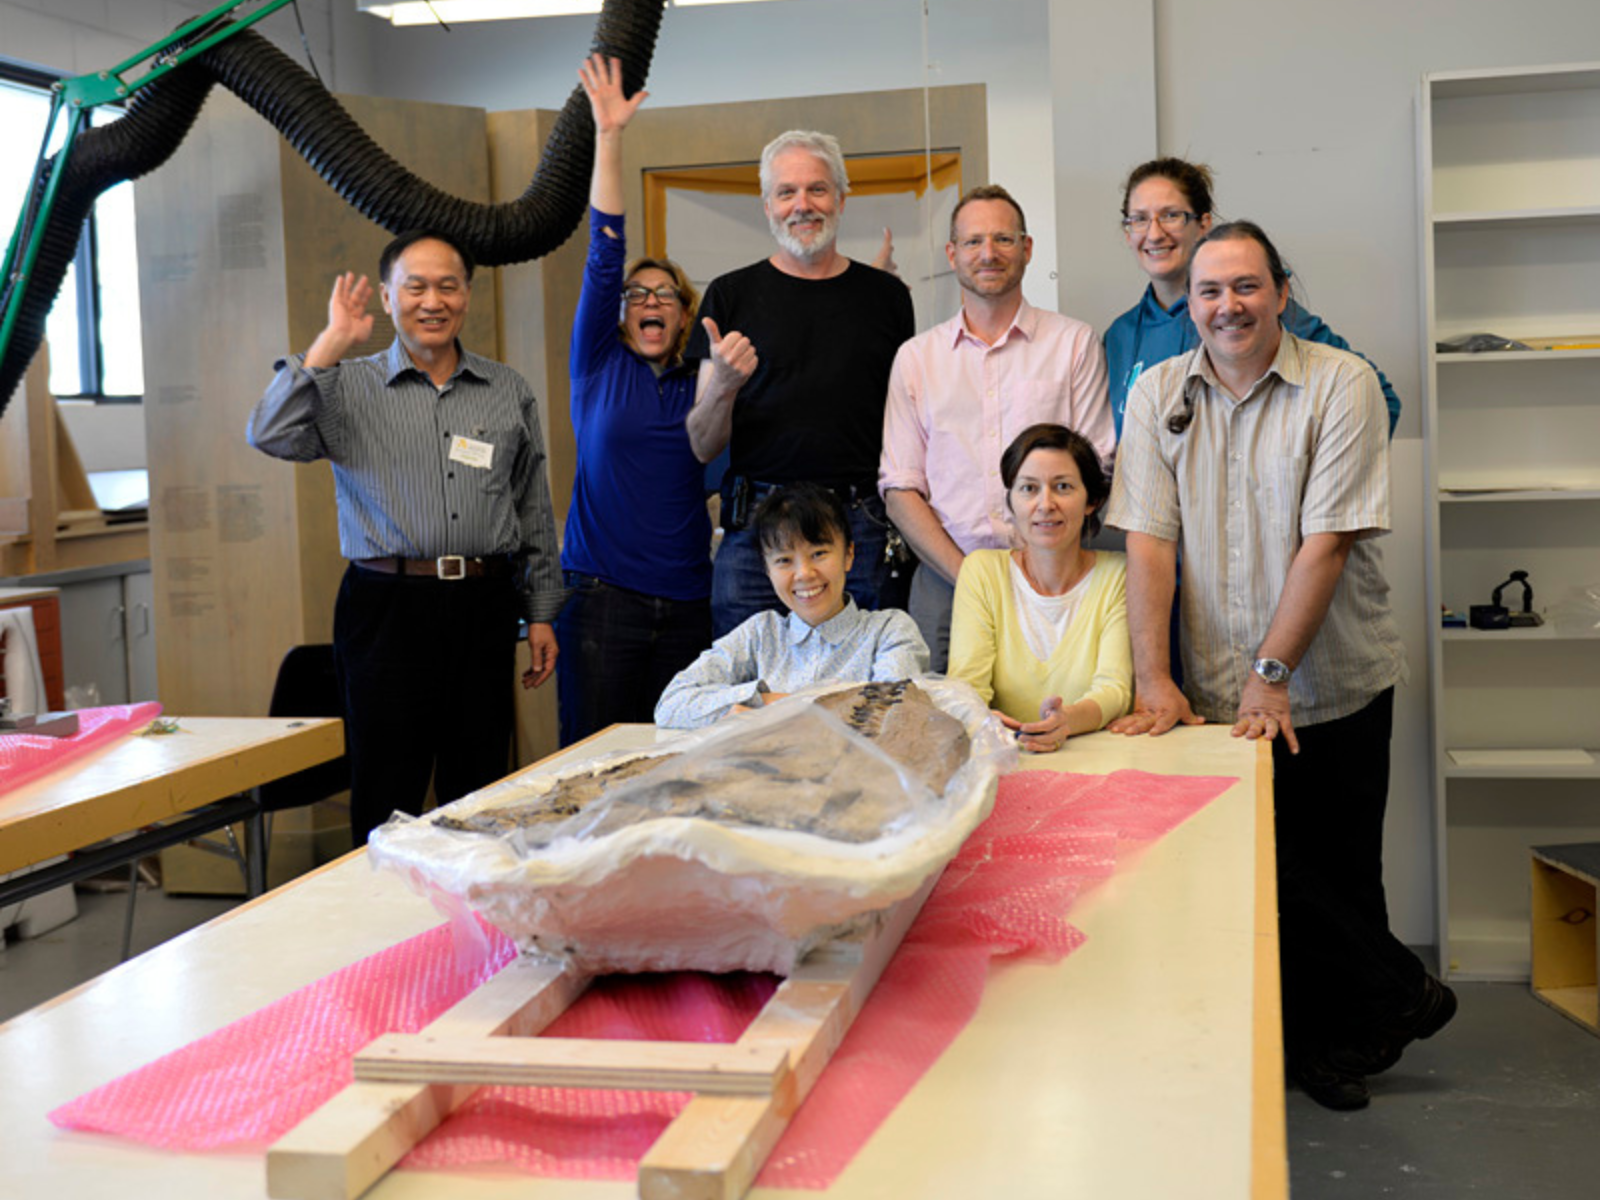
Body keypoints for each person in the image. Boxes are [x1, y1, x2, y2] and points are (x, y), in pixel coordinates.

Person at [1103, 221, 1453, 1110]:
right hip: (1215, 683)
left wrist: (1273, 673)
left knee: (1338, 867)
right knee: (1262, 872)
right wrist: (1153, 674)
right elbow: (1147, 541)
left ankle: (1343, 1044)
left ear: (1282, 291)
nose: (1228, 306)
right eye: (1211, 291)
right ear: (1192, 302)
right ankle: (1378, 1003)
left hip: (1330, 677)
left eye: (1246, 287)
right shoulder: (1154, 393)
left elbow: (1325, 543)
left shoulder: (1342, 385)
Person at [248, 229, 564, 845]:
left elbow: (532, 508)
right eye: (415, 286)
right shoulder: (344, 386)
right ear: (389, 300)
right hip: (387, 607)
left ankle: (474, 929)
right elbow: (268, 433)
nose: (433, 300)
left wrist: (542, 612)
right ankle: (388, 929)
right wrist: (328, 345)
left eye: (448, 285)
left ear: (467, 296)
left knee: (479, 784)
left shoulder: (507, 389)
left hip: (483, 603)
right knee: (385, 785)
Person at [554, 55, 754, 747]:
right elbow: (604, 251)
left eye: (663, 294)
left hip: (690, 605)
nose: (647, 301)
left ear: (683, 313)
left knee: (680, 763)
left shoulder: (705, 382)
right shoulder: (597, 363)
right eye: (635, 294)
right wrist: (610, 136)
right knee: (594, 766)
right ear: (618, 314)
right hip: (601, 603)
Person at [683, 129, 916, 639]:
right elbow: (702, 444)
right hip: (757, 536)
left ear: (841, 197)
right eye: (786, 192)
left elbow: (907, 423)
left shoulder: (887, 299)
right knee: (749, 696)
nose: (802, 205)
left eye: (817, 189)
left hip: (861, 529)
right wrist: (722, 383)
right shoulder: (729, 295)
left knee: (865, 695)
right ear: (767, 205)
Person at [880, 185, 1113, 672]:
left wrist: (1038, 568)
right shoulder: (916, 359)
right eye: (973, 242)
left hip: (1055, 579)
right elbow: (901, 487)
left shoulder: (1074, 343)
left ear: (1027, 249)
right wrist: (971, 578)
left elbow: (1097, 467)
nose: (988, 253)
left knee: (1063, 725)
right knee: (943, 730)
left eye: (1004, 239)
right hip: (948, 581)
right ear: (952, 254)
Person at [1104, 156, 1401, 439]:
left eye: (1171, 216)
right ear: (1127, 232)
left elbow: (1377, 398)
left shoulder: (1252, 315)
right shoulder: (1120, 336)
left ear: (1204, 224)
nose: (1154, 234)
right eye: (1139, 219)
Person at [655, 483, 929, 729]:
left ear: (849, 555)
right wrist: (763, 698)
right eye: (784, 560)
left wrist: (780, 708)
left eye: (818, 554)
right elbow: (671, 705)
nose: (804, 573)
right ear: (766, 569)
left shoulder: (890, 631)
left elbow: (892, 714)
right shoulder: (760, 634)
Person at [947, 424, 1130, 753]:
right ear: (1012, 502)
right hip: (1005, 756)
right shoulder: (981, 571)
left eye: (1063, 487)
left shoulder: (1119, 574)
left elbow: (1115, 690)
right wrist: (988, 725)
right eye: (1029, 489)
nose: (1045, 504)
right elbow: (965, 688)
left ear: (1092, 500)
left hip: (1100, 757)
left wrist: (1066, 722)